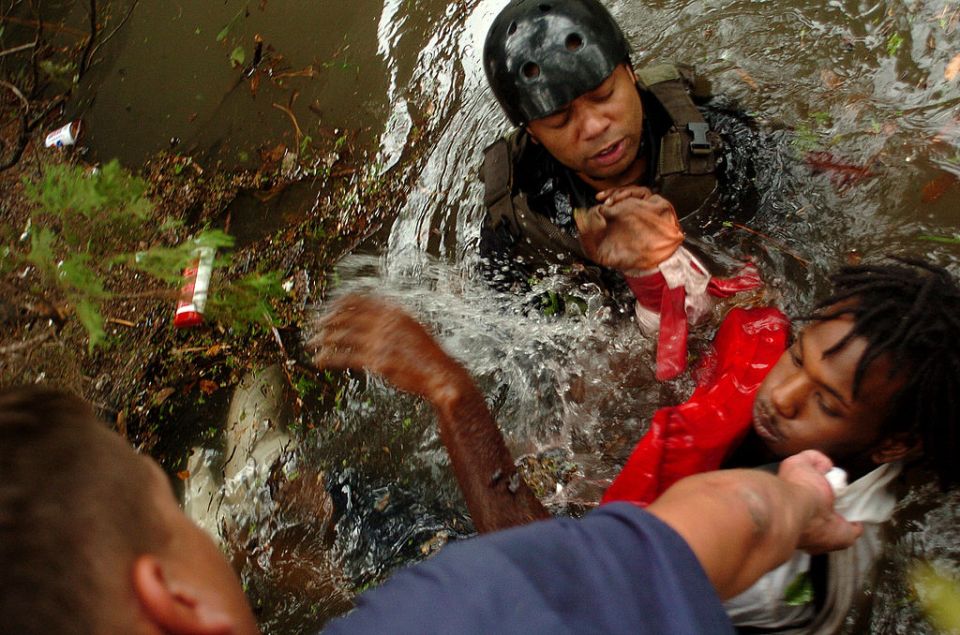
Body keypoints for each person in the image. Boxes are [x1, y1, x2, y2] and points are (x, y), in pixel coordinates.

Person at [310, 257, 960, 631]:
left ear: (894, 441)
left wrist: (452, 390)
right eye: (796, 357)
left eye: (825, 401)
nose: (782, 395)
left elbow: (548, 576)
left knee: (333, 519)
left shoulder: (794, 570)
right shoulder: (822, 418)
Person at [0, 385, 860, 635]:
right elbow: (732, 515)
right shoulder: (449, 618)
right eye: (171, 514)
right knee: (397, 523)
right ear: (174, 602)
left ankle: (275, 490)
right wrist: (806, 495)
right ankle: (276, 483)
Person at [479, 0, 763, 379]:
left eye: (603, 95)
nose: (595, 126)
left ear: (630, 73)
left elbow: (776, 257)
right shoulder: (523, 219)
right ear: (532, 133)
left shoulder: (714, 139)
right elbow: (521, 340)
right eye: (560, 119)